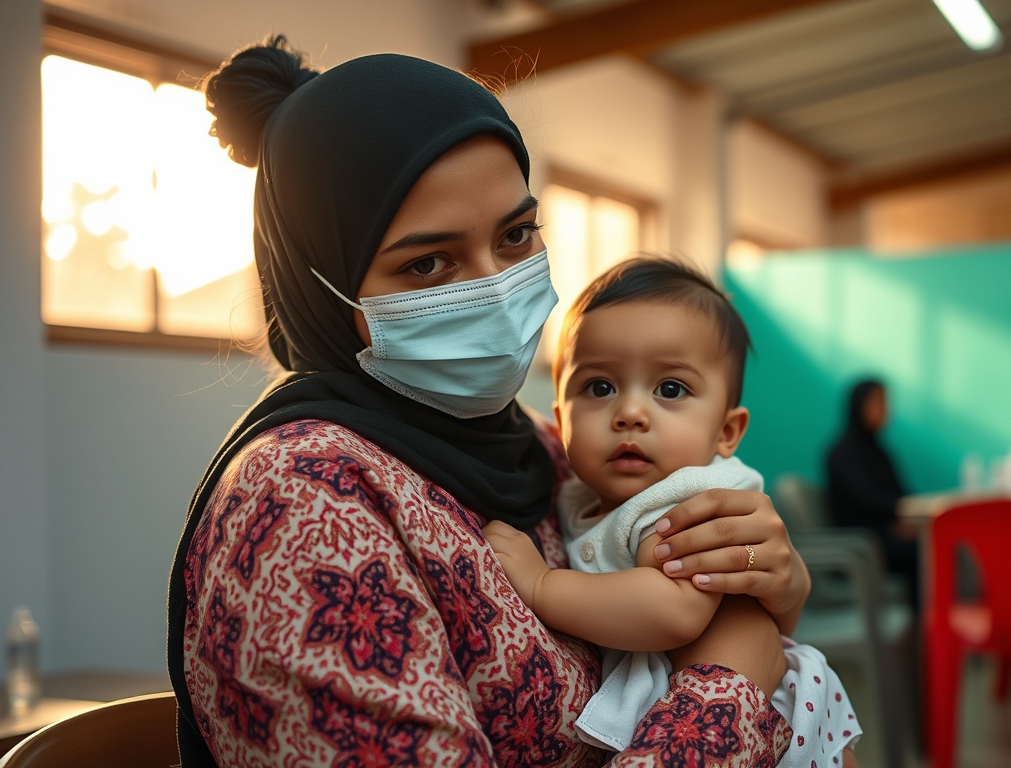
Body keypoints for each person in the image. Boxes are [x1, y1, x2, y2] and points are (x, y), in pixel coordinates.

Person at [167, 37, 815, 767]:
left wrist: (767, 589)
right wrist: (729, 685)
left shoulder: (541, 447)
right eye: (428, 262)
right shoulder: (306, 504)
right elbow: (722, 668)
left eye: (515, 236)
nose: (495, 290)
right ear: (320, 288)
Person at [483, 259, 861, 768]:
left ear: (726, 433)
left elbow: (675, 608)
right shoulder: (576, 493)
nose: (630, 413)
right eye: (599, 387)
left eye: (670, 389)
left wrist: (540, 587)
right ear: (560, 420)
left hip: (779, 728)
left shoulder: (693, 498)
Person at [824, 379, 919, 607]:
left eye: (886, 403)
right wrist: (895, 519)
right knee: (917, 551)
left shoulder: (881, 453)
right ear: (859, 405)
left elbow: (901, 495)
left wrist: (907, 518)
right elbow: (862, 500)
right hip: (862, 543)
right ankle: (922, 633)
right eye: (877, 402)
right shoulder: (842, 452)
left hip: (883, 535)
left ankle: (927, 628)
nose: (884, 410)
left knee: (928, 544)